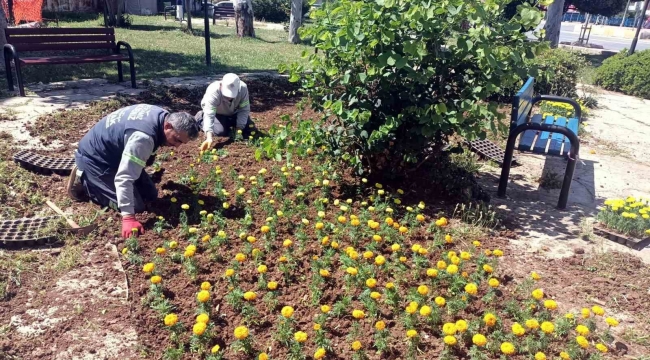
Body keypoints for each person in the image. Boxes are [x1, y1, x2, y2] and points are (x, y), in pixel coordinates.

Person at [66, 104, 200, 238]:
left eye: (181, 143)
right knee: (135, 207)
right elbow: (124, 178)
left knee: (151, 195)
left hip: (114, 154)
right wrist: (128, 218)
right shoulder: (143, 138)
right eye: (176, 140)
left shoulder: (163, 115)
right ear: (168, 126)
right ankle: (85, 180)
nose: (177, 146)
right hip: (95, 159)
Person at [196, 73, 256, 151]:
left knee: (249, 128)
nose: (229, 97)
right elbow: (210, 113)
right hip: (218, 113)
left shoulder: (243, 88)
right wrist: (209, 137)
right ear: (221, 85)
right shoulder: (213, 91)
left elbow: (244, 110)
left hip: (234, 112)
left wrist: (239, 129)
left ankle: (229, 123)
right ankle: (200, 118)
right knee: (220, 132)